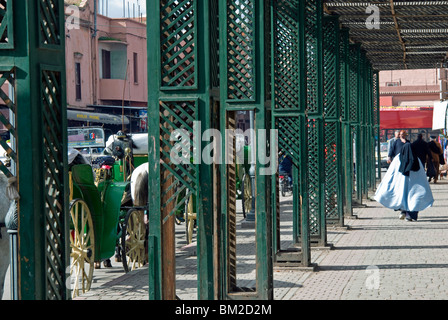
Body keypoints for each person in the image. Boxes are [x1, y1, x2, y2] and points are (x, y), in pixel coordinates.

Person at [374, 140, 434, 222]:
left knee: (402, 197)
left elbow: (391, 173)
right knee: (413, 200)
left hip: (400, 185)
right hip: (415, 187)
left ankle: (403, 212)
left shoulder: (397, 159)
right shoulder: (417, 160)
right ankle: (409, 215)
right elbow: (422, 176)